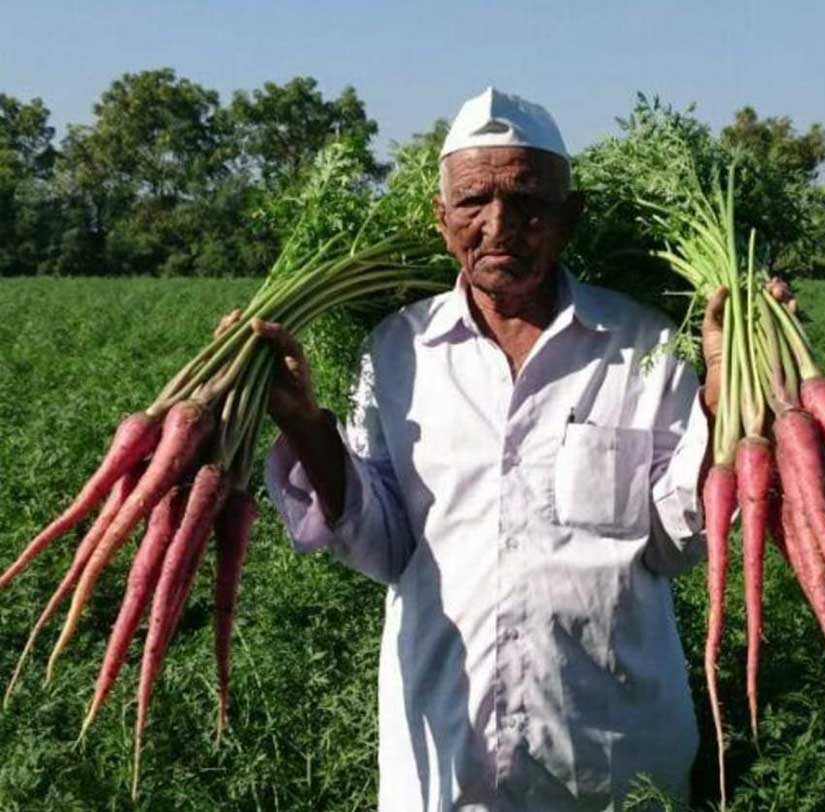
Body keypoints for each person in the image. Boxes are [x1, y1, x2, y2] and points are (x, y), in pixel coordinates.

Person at [240, 87, 790, 812]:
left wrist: (723, 394)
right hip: (445, 760)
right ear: (441, 221)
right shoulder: (399, 350)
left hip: (613, 758)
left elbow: (673, 543)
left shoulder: (645, 346)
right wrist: (306, 425)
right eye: (473, 201)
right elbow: (381, 547)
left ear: (570, 218)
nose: (499, 226)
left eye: (528, 201)